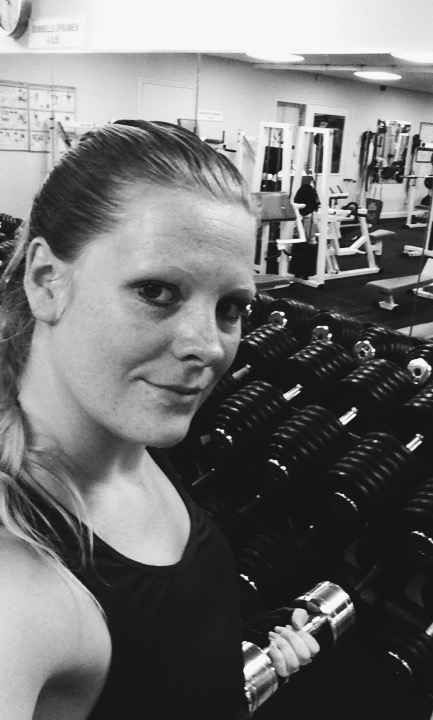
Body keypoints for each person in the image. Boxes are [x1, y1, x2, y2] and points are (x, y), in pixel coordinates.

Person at [0, 120, 319, 719]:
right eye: (157, 292)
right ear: (46, 281)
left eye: (231, 308)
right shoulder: (16, 590)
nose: (209, 346)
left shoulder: (125, 441)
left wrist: (234, 653)